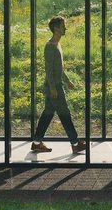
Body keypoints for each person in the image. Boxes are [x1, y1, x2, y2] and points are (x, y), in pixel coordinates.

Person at [31, 16, 87, 154]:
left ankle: (36, 143)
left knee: (48, 114)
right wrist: (52, 88)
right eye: (62, 26)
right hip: (54, 87)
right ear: (56, 28)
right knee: (64, 114)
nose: (65, 28)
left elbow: (59, 68)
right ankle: (75, 144)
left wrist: (67, 81)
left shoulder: (57, 45)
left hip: (56, 85)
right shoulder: (50, 47)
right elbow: (49, 69)